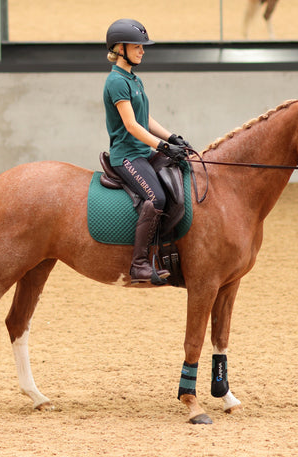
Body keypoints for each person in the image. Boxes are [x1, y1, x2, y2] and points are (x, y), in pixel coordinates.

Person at [103, 18, 192, 284]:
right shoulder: (116, 81)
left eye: (143, 46)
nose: (143, 50)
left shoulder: (133, 79)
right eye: (137, 46)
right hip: (127, 155)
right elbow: (131, 125)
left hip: (143, 151)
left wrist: (171, 137)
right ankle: (139, 264)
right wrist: (162, 146)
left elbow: (145, 118)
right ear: (120, 48)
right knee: (156, 198)